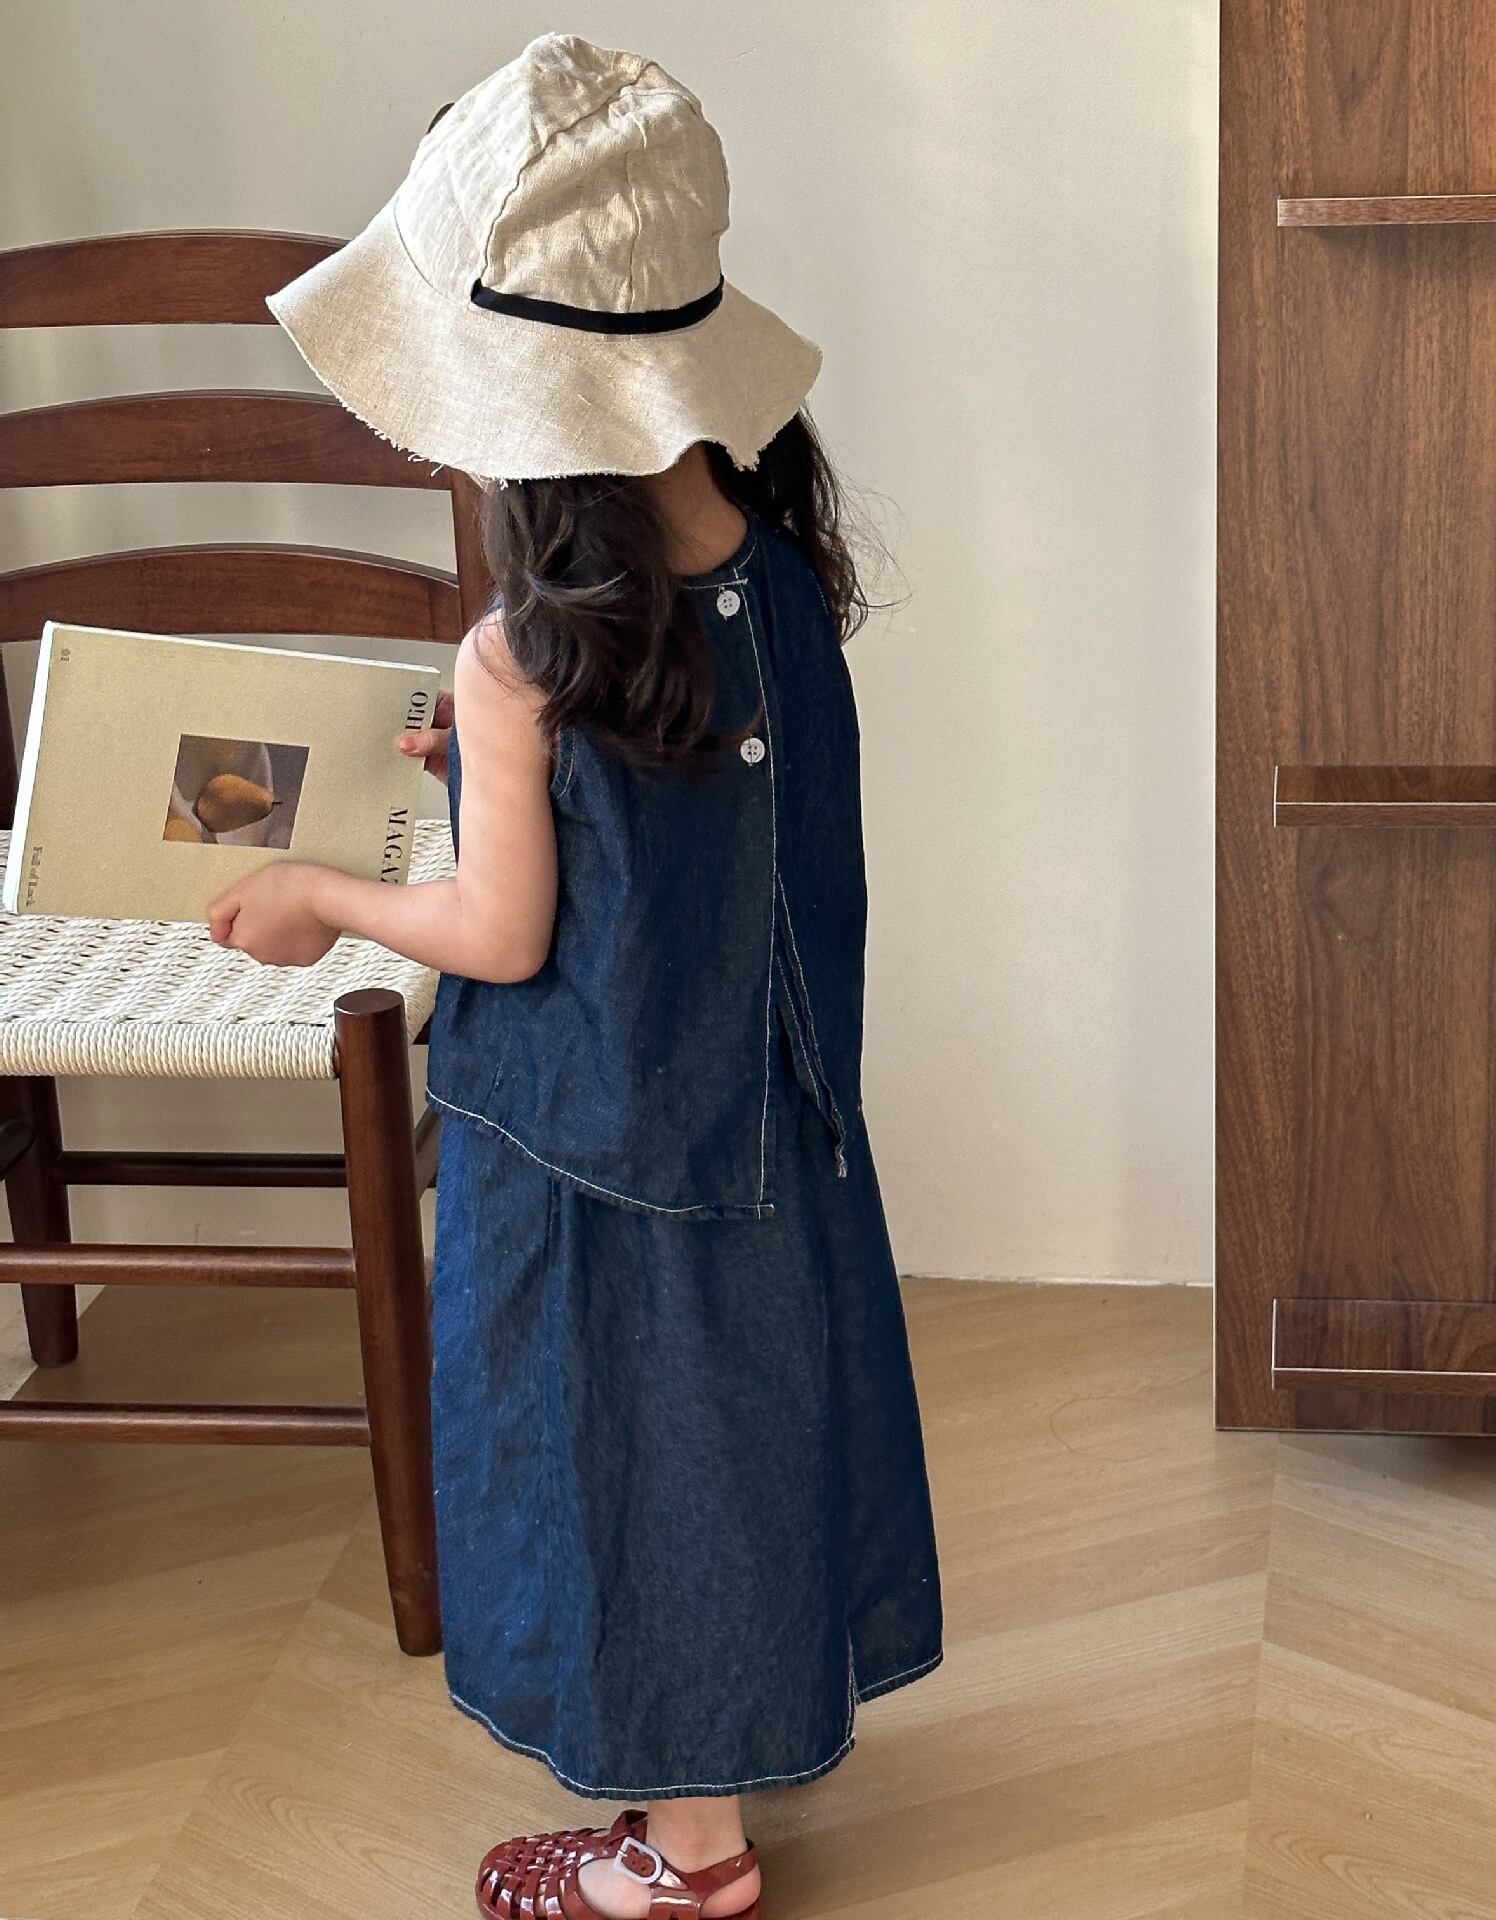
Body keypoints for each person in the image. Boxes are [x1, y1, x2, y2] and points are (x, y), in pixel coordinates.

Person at [209, 34, 942, 1920]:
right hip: (763, 1124)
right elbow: (717, 835)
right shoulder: (777, 577)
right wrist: (509, 782)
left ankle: (682, 1864)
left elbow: (502, 938)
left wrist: (317, 895)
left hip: (595, 1149)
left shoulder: (525, 655)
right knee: (737, 1440)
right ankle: (733, 1779)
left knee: (617, 1471)